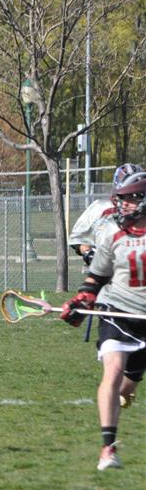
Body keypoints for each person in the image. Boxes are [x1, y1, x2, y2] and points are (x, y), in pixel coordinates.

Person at [60, 171, 146, 471]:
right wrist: (80, 301)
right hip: (117, 311)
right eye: (120, 200)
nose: (122, 206)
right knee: (113, 371)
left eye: (129, 200)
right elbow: (96, 277)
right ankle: (108, 449)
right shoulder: (112, 233)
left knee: (127, 388)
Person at [68, 162, 143, 408]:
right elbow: (77, 239)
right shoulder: (100, 209)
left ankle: (127, 383)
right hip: (107, 285)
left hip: (136, 286)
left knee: (132, 372)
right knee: (114, 362)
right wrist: (88, 253)